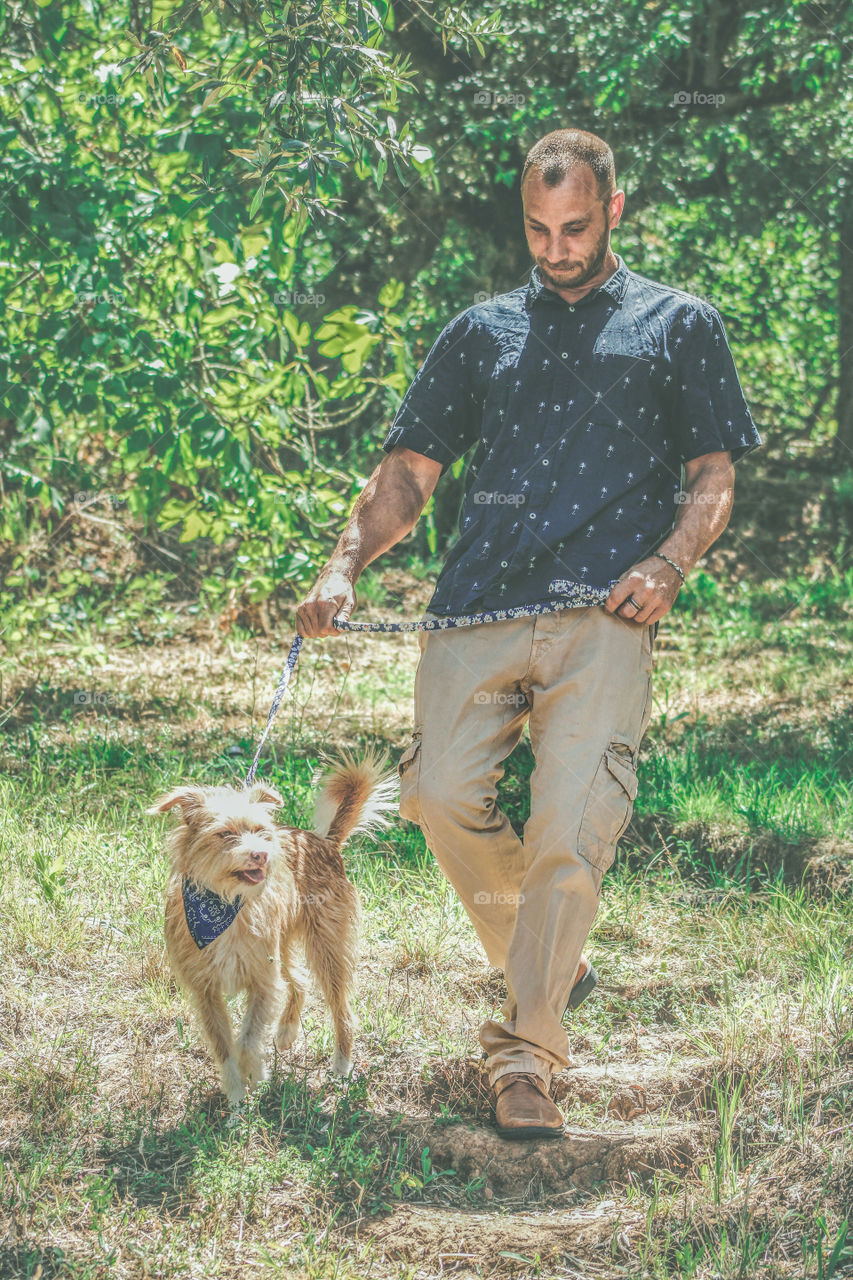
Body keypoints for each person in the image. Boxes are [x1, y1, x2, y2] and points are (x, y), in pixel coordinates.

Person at [295, 128, 762, 1139]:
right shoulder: (478, 333)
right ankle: (552, 959)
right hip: (475, 606)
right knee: (432, 794)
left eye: (577, 227)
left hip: (605, 615)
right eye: (539, 229)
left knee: (567, 834)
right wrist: (344, 562)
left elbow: (713, 479)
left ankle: (527, 1055)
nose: (556, 247)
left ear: (615, 211)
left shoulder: (679, 324)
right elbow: (407, 479)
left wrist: (669, 561)